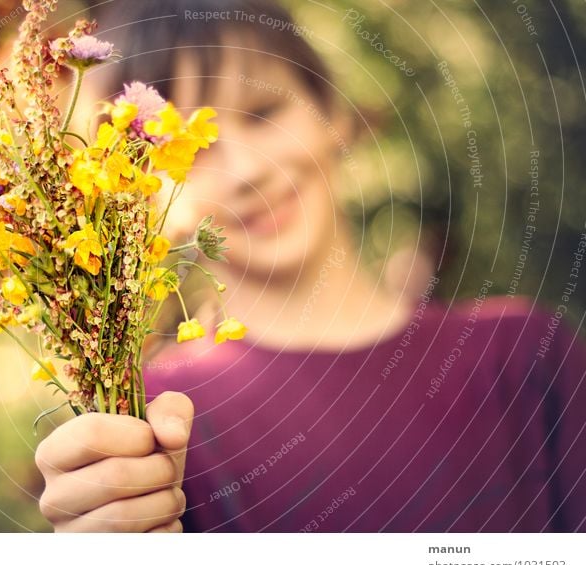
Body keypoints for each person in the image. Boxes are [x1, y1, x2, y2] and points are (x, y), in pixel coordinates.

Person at [34, 0, 586, 532]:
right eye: (192, 150)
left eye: (263, 113)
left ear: (334, 113)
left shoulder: (525, 357)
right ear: (144, 195)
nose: (249, 169)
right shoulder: (143, 428)